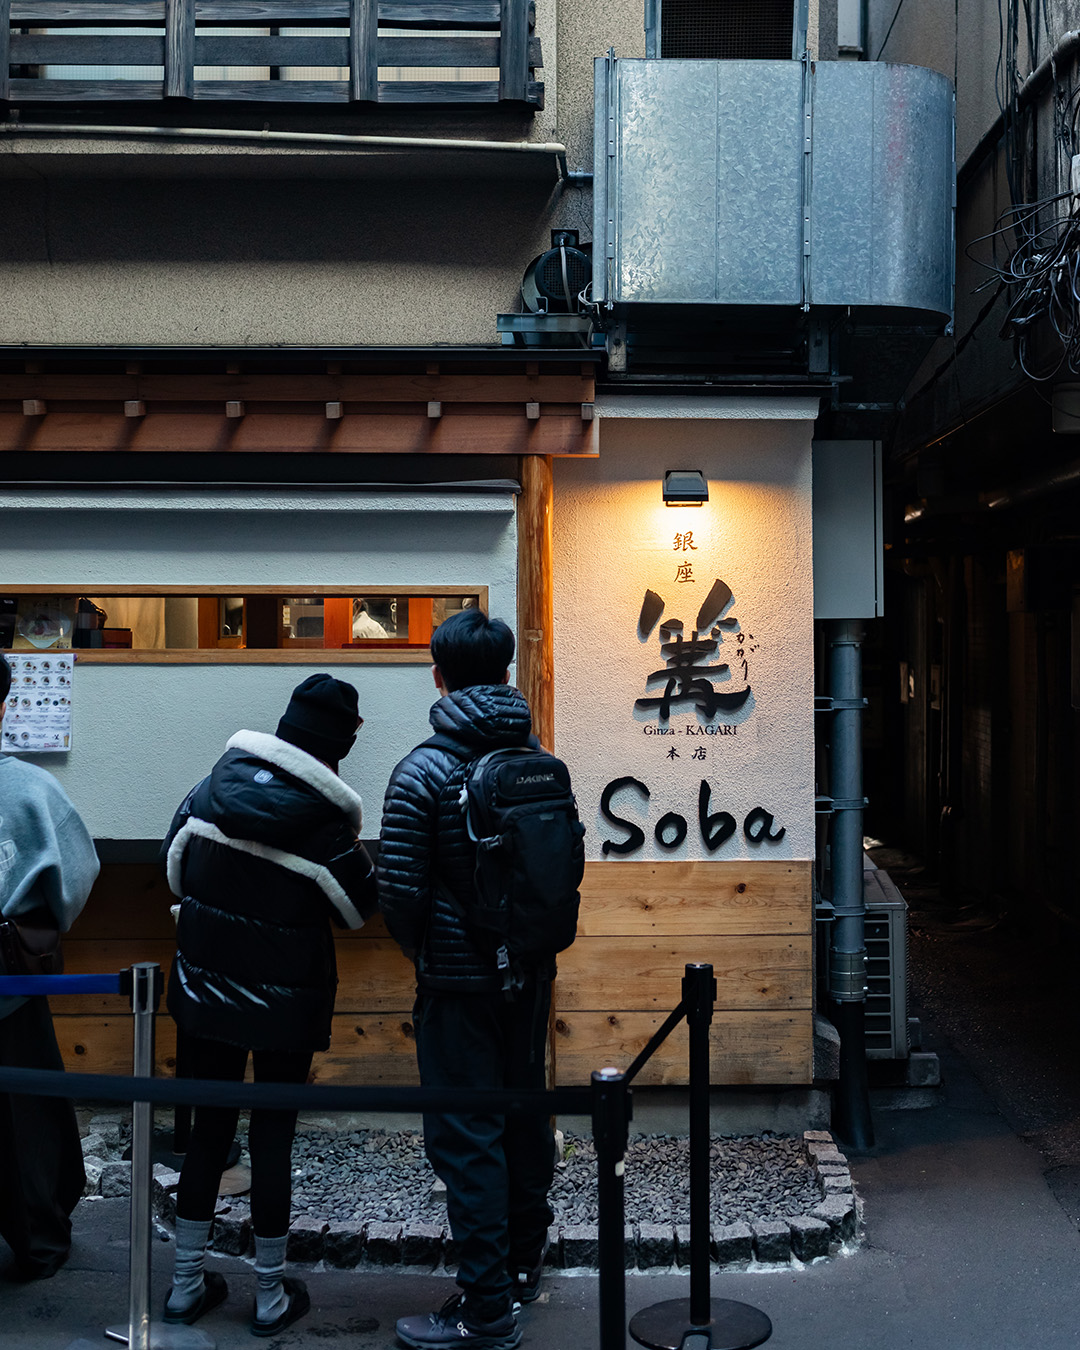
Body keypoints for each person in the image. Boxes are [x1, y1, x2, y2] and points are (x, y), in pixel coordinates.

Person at [161, 674, 377, 1336]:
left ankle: (183, 1287)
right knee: (272, 1139)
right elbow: (359, 909)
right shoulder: (323, 822)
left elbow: (175, 868)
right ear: (337, 747)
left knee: (208, 1137)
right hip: (286, 1007)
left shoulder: (211, 786)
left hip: (203, 992)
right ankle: (269, 1297)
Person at [379, 610, 555, 1350]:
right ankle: (519, 1271)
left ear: (437, 673)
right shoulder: (538, 759)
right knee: (523, 1119)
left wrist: (430, 954)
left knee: (467, 1138)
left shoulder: (422, 769)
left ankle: (486, 1312)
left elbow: (398, 895)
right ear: (507, 673)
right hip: (531, 977)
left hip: (457, 988)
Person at [0, 652, 100, 1280]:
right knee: (25, 1126)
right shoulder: (31, 790)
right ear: (4, 705)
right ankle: (38, 1240)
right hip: (7, 985)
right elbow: (77, 877)